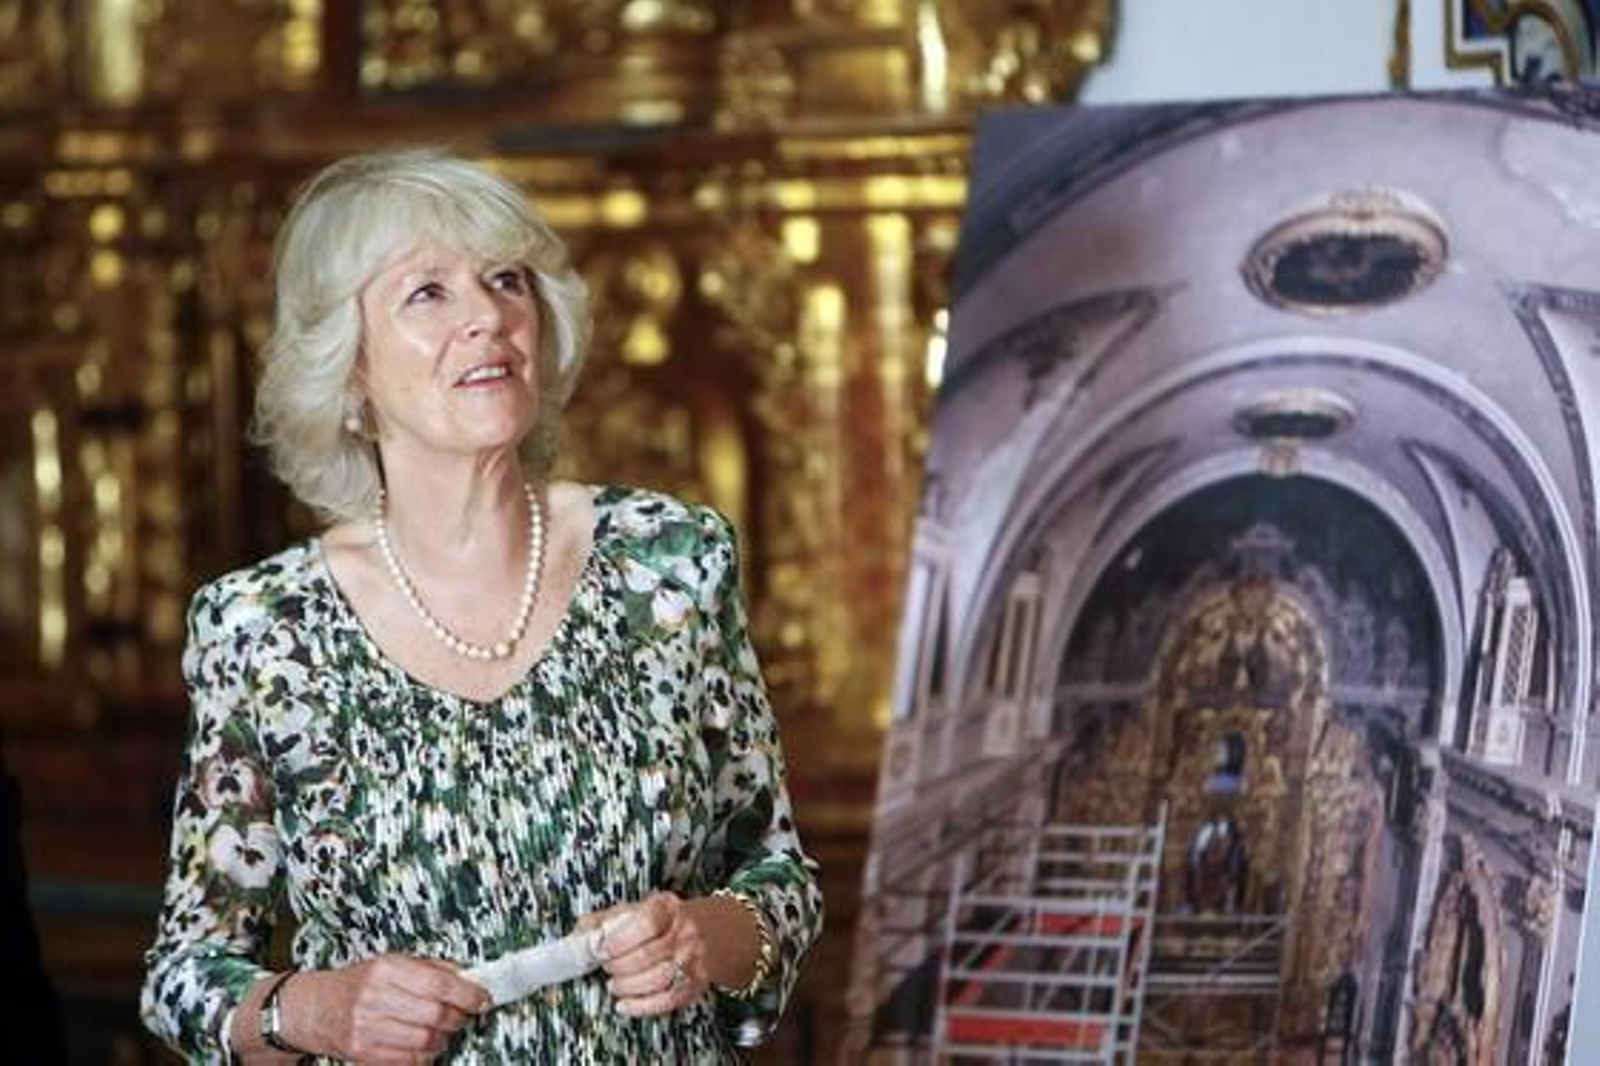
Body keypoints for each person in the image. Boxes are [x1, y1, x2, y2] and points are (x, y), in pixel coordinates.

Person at [140, 148, 823, 1062]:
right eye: (428, 293)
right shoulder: (263, 629)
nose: (489, 318)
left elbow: (777, 878)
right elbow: (186, 974)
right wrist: (316, 1010)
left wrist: (703, 936)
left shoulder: (669, 565)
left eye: (506, 281)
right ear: (348, 368)